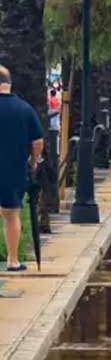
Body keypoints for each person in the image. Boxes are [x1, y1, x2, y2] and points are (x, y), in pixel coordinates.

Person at [0, 66, 44, 273]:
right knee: (12, 214)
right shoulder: (24, 108)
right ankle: (12, 260)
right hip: (13, 169)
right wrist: (33, 161)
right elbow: (38, 141)